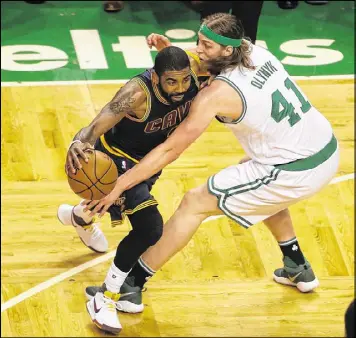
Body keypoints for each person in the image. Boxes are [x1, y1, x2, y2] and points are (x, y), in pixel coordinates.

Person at [84, 12, 339, 325]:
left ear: (227, 50)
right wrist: (174, 57)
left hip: (295, 168)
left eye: (205, 45)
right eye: (197, 42)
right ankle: (296, 264)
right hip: (323, 145)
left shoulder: (217, 94)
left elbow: (168, 149)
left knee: (195, 202)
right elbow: (206, 62)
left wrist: (120, 185)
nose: (198, 50)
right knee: (257, 181)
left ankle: (131, 284)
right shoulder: (255, 51)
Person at [57, 46, 201, 334]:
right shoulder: (136, 93)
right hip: (113, 164)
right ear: (156, 77)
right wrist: (78, 142)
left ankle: (80, 217)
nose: (180, 88)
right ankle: (106, 297)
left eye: (184, 80)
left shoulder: (195, 75)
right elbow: (98, 123)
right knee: (150, 228)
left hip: (148, 165)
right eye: (171, 81)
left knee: (132, 215)